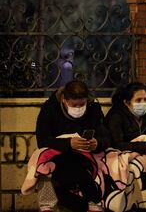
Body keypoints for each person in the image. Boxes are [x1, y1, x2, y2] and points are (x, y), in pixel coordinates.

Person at [35, 80, 110, 212]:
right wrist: (68, 143)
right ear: (64, 100)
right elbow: (42, 140)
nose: (79, 108)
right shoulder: (49, 109)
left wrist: (97, 143)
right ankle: (89, 204)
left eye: (82, 104)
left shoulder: (94, 109)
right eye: (74, 105)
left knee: (82, 169)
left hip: (85, 156)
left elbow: (106, 138)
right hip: (58, 156)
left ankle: (90, 203)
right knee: (47, 167)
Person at [104, 82, 146, 161]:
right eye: (138, 100)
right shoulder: (116, 116)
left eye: (145, 99)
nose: (143, 103)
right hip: (122, 158)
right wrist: (145, 147)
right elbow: (116, 144)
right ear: (127, 102)